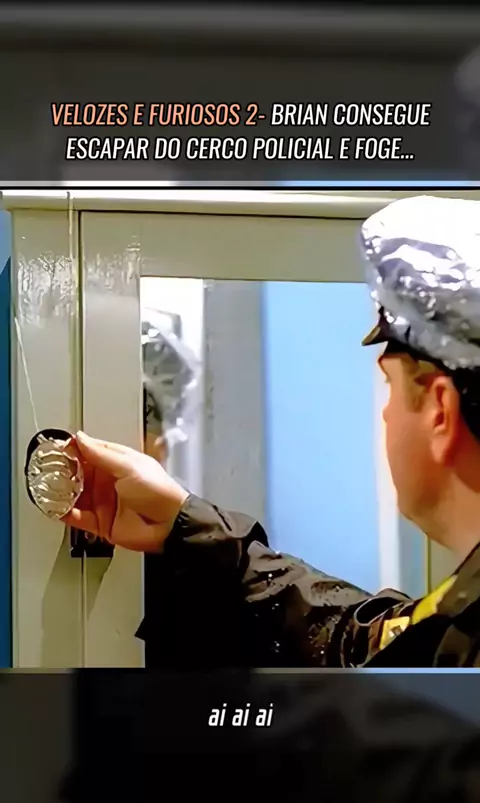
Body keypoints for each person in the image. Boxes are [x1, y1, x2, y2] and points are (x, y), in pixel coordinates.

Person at [62, 195, 480, 668]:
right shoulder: (460, 619)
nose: (386, 414)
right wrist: (184, 527)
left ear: (440, 410)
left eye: (391, 385)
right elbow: (358, 644)